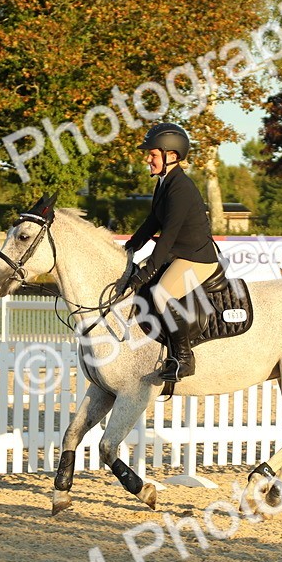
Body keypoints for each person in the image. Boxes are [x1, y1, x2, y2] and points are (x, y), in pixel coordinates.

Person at [119, 122, 220, 382]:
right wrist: (129, 247)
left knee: (163, 294)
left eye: (152, 154)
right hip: (179, 253)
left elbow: (169, 236)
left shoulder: (181, 187)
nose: (148, 159)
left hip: (196, 257)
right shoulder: (165, 182)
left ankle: (184, 359)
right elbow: (153, 221)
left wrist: (147, 270)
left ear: (171, 155)